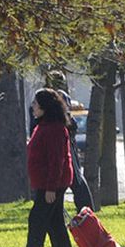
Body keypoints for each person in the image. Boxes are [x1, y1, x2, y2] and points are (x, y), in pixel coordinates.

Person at [26, 88, 76, 247]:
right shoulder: (44, 126)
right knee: (54, 223)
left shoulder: (54, 129)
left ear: (44, 107)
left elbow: (57, 161)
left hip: (52, 184)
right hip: (46, 183)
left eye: (36, 104)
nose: (33, 107)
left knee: (37, 220)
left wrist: (51, 188)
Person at [46, 70, 95, 212]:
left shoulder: (62, 99)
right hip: (58, 150)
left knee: (79, 186)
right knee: (61, 189)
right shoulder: (44, 99)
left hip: (68, 150)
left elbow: (71, 124)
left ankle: (87, 216)